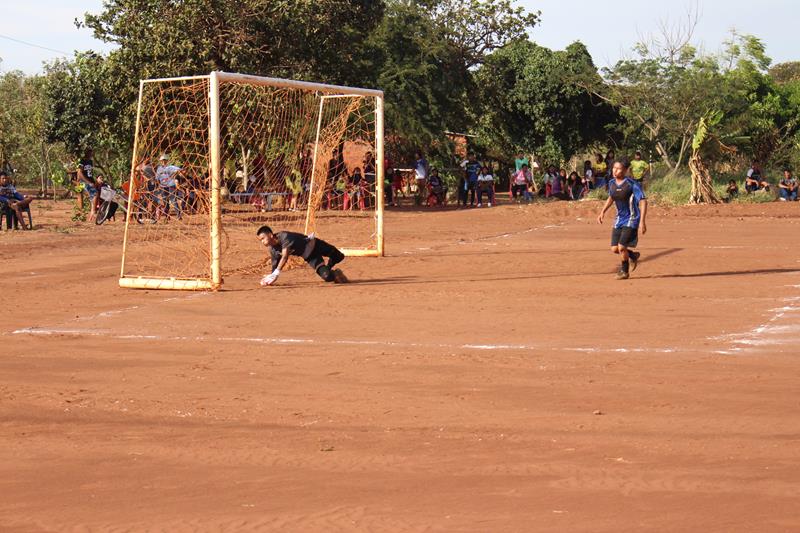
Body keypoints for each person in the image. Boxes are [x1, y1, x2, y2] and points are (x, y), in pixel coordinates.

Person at [597, 158, 648, 280]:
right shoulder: (611, 183)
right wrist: (602, 212)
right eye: (614, 168)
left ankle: (624, 271)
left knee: (621, 247)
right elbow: (611, 198)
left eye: (619, 168)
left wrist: (642, 221)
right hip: (619, 219)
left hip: (632, 218)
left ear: (625, 170)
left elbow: (643, 201)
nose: (615, 171)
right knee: (614, 249)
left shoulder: (631, 184)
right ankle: (632, 255)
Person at [256, 225, 347, 285]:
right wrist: (270, 278)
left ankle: (329, 266)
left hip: (316, 245)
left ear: (270, 235)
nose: (262, 242)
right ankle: (335, 272)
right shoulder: (273, 250)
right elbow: (275, 266)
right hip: (310, 256)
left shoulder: (284, 236)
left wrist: (276, 273)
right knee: (327, 277)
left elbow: (285, 256)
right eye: (260, 240)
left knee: (339, 256)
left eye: (263, 238)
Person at [155, 154, 183, 221]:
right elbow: (157, 178)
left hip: (171, 185)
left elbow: (180, 170)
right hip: (163, 186)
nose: (163, 162)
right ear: (160, 161)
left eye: (165, 160)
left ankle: (179, 216)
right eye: (162, 160)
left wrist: (174, 175)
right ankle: (167, 216)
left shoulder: (171, 167)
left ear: (167, 161)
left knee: (173, 201)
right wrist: (158, 185)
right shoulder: (159, 169)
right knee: (165, 202)